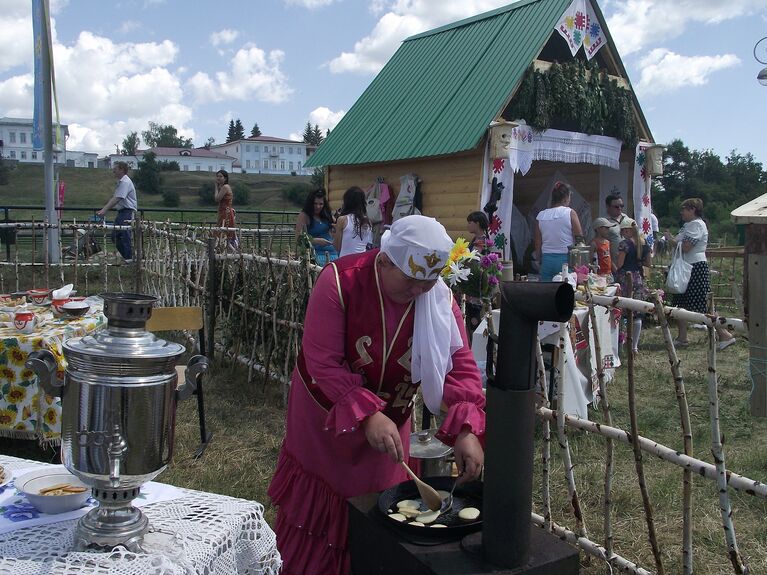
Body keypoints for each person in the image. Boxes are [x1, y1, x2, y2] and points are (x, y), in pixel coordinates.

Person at [268, 215, 486, 575]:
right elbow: (323, 362)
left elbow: (458, 362)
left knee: (379, 507)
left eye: (427, 283)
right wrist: (367, 414)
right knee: (326, 512)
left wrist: (466, 429)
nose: (418, 293)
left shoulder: (437, 298)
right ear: (384, 261)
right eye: (410, 282)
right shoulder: (340, 281)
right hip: (327, 421)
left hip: (391, 419)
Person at [664, 198, 736, 351]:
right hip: (686, 267)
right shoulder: (687, 225)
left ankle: (725, 335)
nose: (681, 212)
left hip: (695, 268)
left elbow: (687, 247)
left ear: (692, 210)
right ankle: (682, 337)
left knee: (704, 304)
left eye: (684, 209)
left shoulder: (697, 225)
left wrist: (671, 240)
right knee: (680, 302)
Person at [534, 181, 583, 281]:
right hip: (565, 259)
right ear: (566, 197)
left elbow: (538, 242)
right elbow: (579, 238)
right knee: (566, 291)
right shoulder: (570, 213)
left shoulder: (541, 215)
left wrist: (538, 259)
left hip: (547, 259)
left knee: (547, 292)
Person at [614, 219, 649, 357]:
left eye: (623, 230)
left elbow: (620, 264)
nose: (622, 233)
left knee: (623, 312)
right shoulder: (644, 243)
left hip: (625, 278)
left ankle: (621, 345)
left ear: (627, 230)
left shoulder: (624, 245)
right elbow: (648, 263)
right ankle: (634, 346)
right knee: (637, 312)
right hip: (638, 278)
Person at [97, 161, 137, 262]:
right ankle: (128, 257)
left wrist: (104, 210)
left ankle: (129, 258)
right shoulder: (122, 182)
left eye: (115, 169)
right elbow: (116, 197)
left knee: (124, 235)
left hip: (127, 211)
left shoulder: (125, 182)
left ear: (122, 170)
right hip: (123, 212)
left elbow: (117, 198)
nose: (113, 171)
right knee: (117, 236)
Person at [295, 188, 338, 265]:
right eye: (315, 204)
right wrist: (316, 241)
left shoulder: (327, 215)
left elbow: (338, 227)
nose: (318, 206)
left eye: (321, 204)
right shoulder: (304, 216)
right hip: (316, 255)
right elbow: (298, 239)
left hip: (333, 254)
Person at [464, 211, 490, 334]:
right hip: (474, 281)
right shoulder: (477, 239)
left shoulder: (481, 241)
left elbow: (473, 259)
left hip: (477, 285)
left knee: (474, 318)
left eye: (470, 223)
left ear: (477, 223)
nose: (468, 225)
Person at [333, 186, 372, 257]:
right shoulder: (367, 221)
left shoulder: (342, 220)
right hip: (361, 261)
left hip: (346, 261)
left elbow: (337, 247)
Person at [605, 193, 633, 262]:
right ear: (608, 207)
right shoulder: (604, 223)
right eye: (616, 206)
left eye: (621, 206)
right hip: (614, 262)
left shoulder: (628, 220)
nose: (619, 208)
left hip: (630, 261)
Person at [215, 169, 238, 250]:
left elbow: (217, 199)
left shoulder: (225, 187)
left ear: (225, 178)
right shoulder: (224, 187)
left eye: (220, 176)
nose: (218, 178)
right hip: (224, 212)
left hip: (226, 213)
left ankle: (233, 252)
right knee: (223, 234)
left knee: (223, 233)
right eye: (217, 176)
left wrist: (216, 188)